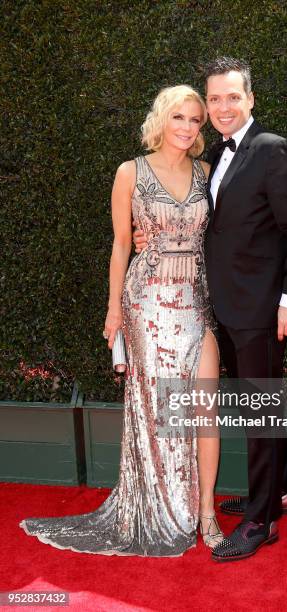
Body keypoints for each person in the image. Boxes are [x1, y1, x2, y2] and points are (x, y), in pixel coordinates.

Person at [19, 85, 223, 556]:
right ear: (161, 119)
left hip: (196, 299)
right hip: (146, 301)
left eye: (195, 120)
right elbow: (120, 245)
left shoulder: (207, 174)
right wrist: (113, 309)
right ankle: (164, 508)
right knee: (159, 414)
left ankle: (206, 512)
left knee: (205, 407)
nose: (188, 127)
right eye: (179, 117)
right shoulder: (130, 171)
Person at [134, 57, 287, 562]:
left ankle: (261, 521)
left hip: (262, 309)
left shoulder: (273, 151)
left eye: (231, 97)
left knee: (259, 412)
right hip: (227, 308)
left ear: (250, 99)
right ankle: (279, 491)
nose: (221, 107)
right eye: (213, 98)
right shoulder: (215, 154)